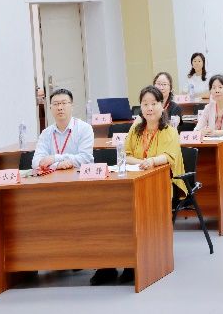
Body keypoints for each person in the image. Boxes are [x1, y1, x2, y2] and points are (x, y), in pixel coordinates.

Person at [98, 85, 184, 286]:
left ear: (162, 106)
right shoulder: (135, 130)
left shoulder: (169, 131)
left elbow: (169, 157)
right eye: (145, 104)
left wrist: (151, 161)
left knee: (137, 212)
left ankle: (136, 263)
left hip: (161, 184)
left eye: (153, 103)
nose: (149, 108)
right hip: (134, 181)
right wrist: (142, 163)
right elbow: (125, 155)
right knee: (114, 210)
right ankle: (115, 260)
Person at [32, 88, 95, 171]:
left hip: (78, 176)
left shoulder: (84, 128)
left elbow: (86, 159)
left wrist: (55, 158)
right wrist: (57, 165)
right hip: (53, 177)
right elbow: (36, 162)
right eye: (55, 104)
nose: (59, 108)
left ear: (72, 106)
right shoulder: (46, 133)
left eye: (64, 103)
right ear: (50, 107)